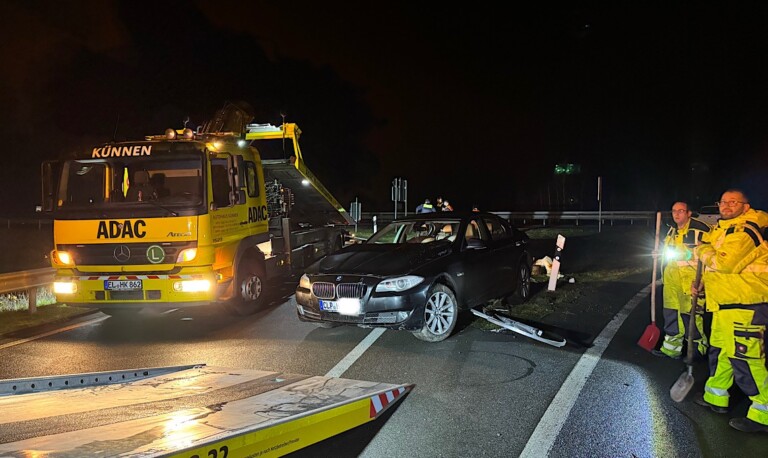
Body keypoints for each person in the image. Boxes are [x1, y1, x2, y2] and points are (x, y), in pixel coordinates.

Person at [692, 189, 768, 433]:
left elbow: (724, 263)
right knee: (722, 352)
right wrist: (702, 284)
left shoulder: (745, 230)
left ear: (745, 206)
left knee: (746, 359)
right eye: (723, 201)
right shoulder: (722, 230)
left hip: (746, 303)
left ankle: (764, 411)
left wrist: (701, 250)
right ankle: (717, 396)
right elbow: (715, 268)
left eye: (733, 201)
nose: (726, 205)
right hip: (725, 304)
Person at [653, 201, 712, 360]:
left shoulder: (701, 230)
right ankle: (672, 349)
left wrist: (703, 281)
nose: (677, 214)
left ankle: (697, 351)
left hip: (690, 283)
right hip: (672, 282)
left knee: (691, 318)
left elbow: (710, 258)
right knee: (671, 315)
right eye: (674, 211)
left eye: (681, 211)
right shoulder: (672, 231)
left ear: (689, 213)